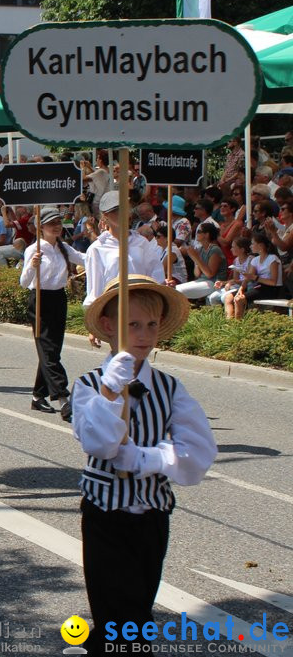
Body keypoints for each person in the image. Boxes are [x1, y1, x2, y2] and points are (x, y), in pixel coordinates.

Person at [72, 276, 216, 652]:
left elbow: (198, 455)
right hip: (104, 515)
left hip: (151, 516)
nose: (144, 335)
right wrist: (109, 390)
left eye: (151, 325)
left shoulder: (170, 387)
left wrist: (147, 458)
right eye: (132, 325)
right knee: (112, 613)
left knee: (137, 608)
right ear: (108, 326)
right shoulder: (88, 384)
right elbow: (99, 444)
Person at [20, 208, 85, 421]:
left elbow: (87, 259)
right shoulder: (34, 250)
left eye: (58, 222)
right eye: (51, 223)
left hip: (58, 299)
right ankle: (63, 397)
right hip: (39, 299)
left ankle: (38, 395)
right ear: (41, 228)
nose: (56, 226)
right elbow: (24, 282)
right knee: (47, 349)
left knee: (52, 350)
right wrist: (32, 266)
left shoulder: (64, 248)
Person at [83, 191, 166, 345]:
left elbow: (156, 275)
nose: (122, 214)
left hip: (142, 308)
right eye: (115, 211)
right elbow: (94, 289)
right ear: (105, 216)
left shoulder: (141, 243)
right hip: (114, 310)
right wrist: (93, 325)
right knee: (120, 355)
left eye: (124, 209)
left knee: (138, 355)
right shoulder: (97, 249)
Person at [176, 223, 227, 300]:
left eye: (199, 231)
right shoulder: (201, 249)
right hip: (202, 280)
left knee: (179, 290)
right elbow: (197, 274)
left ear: (207, 234)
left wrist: (196, 257)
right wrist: (195, 259)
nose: (196, 233)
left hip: (214, 283)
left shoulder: (215, 250)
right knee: (175, 288)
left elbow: (210, 274)